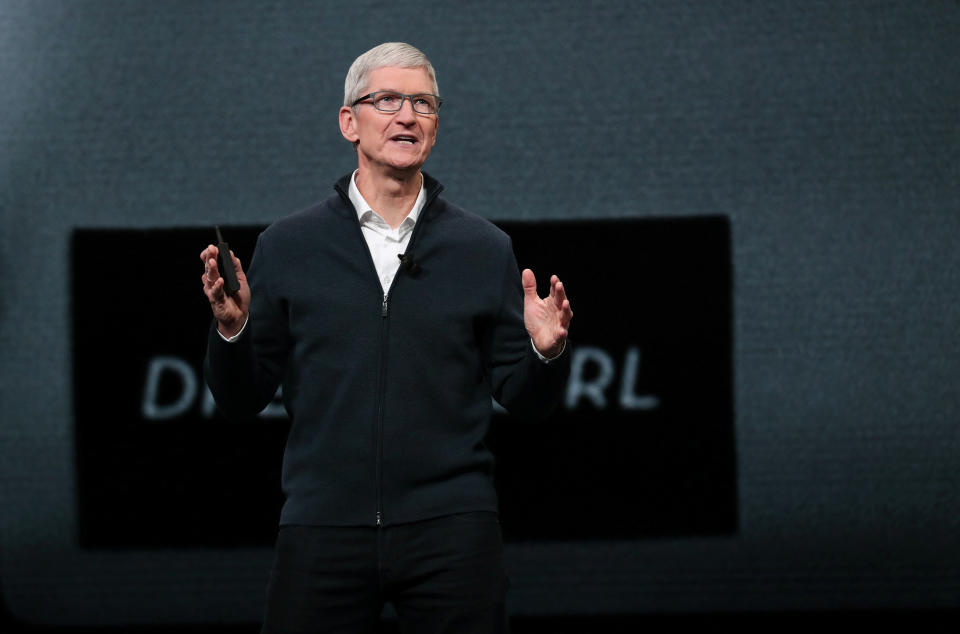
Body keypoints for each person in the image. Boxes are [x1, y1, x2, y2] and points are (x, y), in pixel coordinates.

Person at [200, 42, 572, 634]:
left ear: (436, 124)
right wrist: (232, 329)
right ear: (350, 121)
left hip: (452, 530)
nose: (407, 115)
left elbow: (528, 399)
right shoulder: (288, 247)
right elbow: (241, 399)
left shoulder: (484, 248)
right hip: (323, 527)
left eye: (422, 103)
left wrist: (546, 354)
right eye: (388, 99)